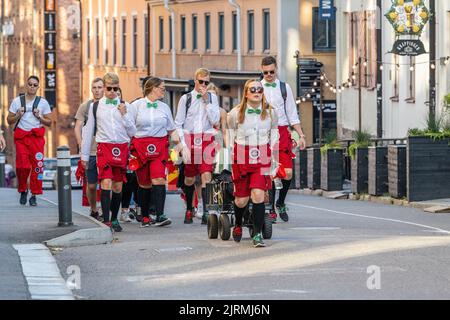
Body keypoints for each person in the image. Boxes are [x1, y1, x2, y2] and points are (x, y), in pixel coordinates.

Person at [129, 77, 187, 227]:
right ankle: (146, 215)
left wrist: (181, 146)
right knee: (144, 184)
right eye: (162, 88)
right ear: (153, 88)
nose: (164, 90)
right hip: (140, 146)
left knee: (159, 179)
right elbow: (128, 129)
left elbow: (172, 129)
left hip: (159, 145)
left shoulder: (164, 107)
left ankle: (160, 215)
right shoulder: (136, 106)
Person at [81, 72, 136, 232]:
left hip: (121, 147)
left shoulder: (126, 106)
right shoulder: (95, 106)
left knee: (118, 187)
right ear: (104, 88)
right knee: (105, 182)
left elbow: (133, 131)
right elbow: (88, 130)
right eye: (109, 88)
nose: (112, 91)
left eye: (115, 88)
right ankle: (106, 220)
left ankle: (114, 218)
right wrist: (84, 155)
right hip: (104, 147)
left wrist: (124, 114)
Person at [227, 79, 279, 247]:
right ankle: (238, 224)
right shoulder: (235, 113)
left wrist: (272, 155)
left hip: (262, 154)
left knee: (258, 195)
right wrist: (230, 154)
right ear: (246, 93)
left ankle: (257, 234)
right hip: (242, 154)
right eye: (253, 89)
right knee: (241, 200)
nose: (257, 92)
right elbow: (230, 134)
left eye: (260, 89)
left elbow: (275, 133)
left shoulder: (271, 112)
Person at [260, 56, 306, 223]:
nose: (269, 75)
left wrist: (301, 135)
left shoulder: (284, 88)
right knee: (270, 173)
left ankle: (281, 202)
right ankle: (270, 207)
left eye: (272, 72)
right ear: (261, 71)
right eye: (266, 72)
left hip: (282, 131)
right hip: (264, 133)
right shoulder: (257, 88)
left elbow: (292, 114)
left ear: (276, 69)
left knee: (287, 174)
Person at [174, 68, 220, 225]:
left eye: (206, 82)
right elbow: (178, 123)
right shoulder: (185, 98)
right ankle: (189, 208)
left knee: (206, 174)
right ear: (195, 81)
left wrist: (206, 100)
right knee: (189, 178)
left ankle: (206, 209)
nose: (203, 85)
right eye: (201, 81)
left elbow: (215, 120)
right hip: (189, 139)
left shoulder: (212, 97)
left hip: (206, 138)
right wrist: (182, 145)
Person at [7, 76, 52, 206]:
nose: (32, 87)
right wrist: (17, 115)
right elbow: (9, 120)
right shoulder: (17, 101)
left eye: (35, 85)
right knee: (22, 166)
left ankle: (34, 194)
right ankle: (23, 189)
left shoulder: (43, 103)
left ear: (38, 87)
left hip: (36, 138)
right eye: (30, 84)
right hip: (21, 138)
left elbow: (49, 122)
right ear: (26, 85)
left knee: (37, 167)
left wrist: (40, 117)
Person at [74, 78, 104, 219]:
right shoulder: (85, 106)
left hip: (106, 150)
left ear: (104, 88)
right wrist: (81, 143)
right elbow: (78, 126)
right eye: (94, 87)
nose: (97, 90)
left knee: (106, 182)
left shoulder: (108, 106)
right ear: (91, 89)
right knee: (91, 185)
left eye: (100, 87)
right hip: (90, 151)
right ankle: (93, 208)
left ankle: (105, 209)